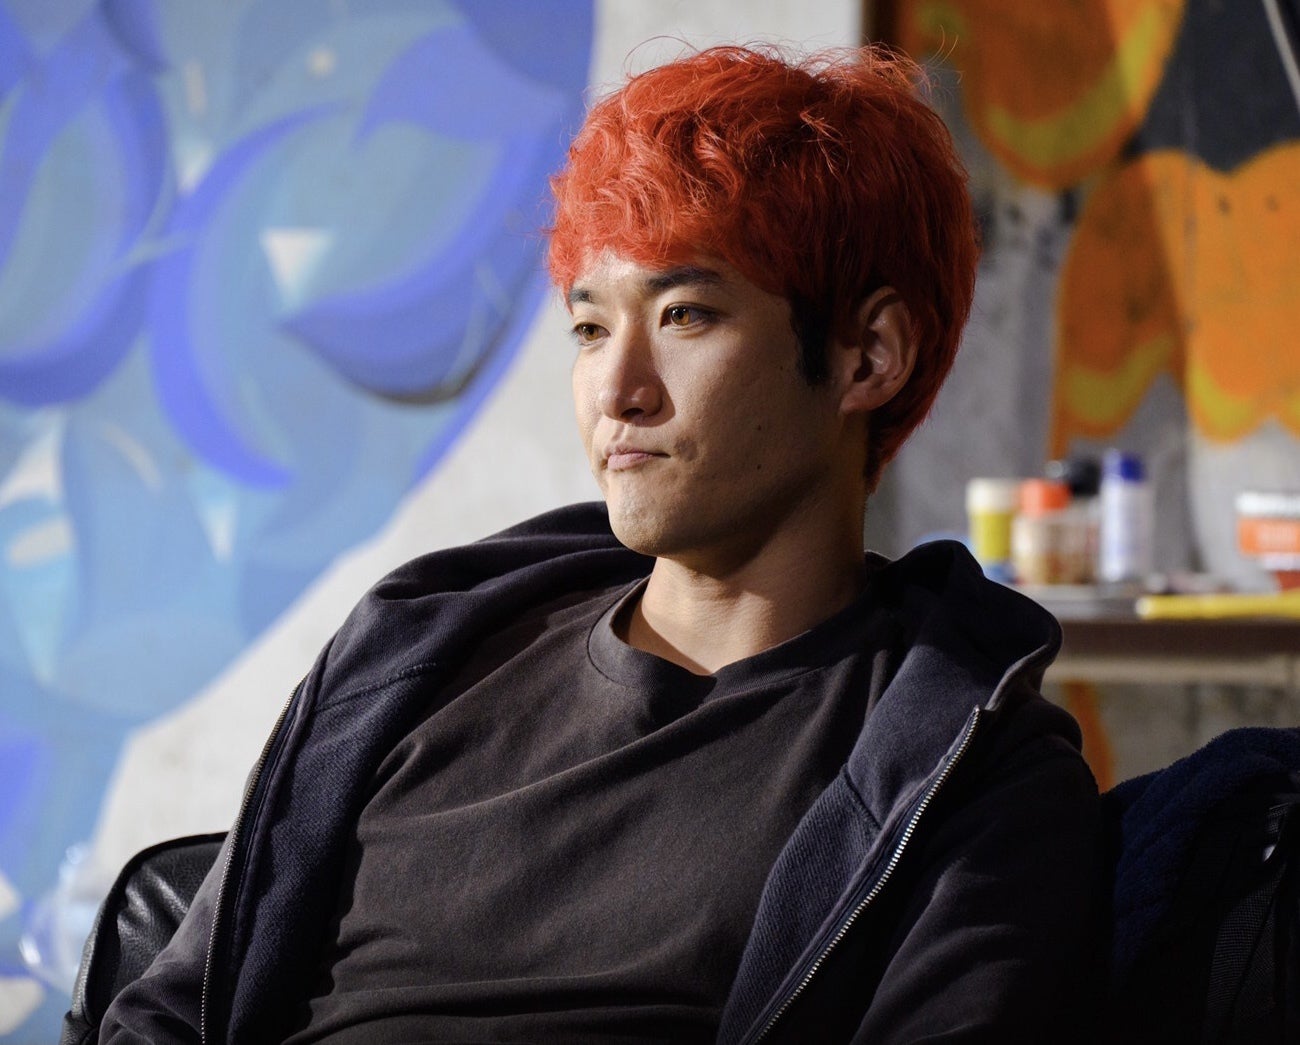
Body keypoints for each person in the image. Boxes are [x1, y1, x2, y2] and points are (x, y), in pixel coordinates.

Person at [100, 43, 1102, 1044]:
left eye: (685, 315)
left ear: (868, 357)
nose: (617, 390)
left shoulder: (969, 774)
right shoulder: (421, 652)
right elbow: (168, 1014)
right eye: (589, 329)